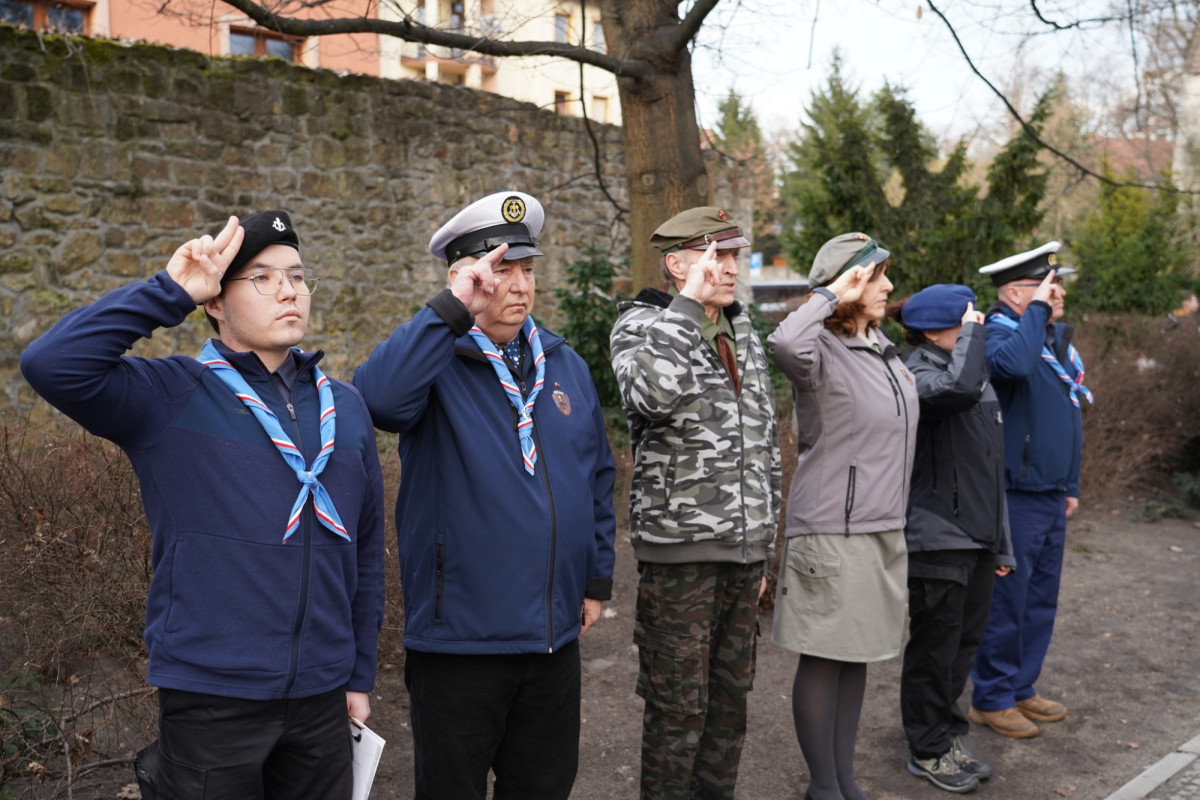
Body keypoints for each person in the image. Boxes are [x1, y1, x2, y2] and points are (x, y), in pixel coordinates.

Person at [20, 211, 386, 800]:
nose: (289, 291)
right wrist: (169, 293)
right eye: (262, 278)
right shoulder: (172, 396)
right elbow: (52, 363)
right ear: (215, 300)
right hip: (213, 698)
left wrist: (358, 672)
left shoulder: (344, 407)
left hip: (322, 698)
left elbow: (365, 553)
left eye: (297, 275)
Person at [352, 190, 617, 800]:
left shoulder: (564, 364)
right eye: (501, 271)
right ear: (464, 278)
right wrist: (448, 311)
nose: (520, 285)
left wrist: (595, 579)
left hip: (552, 639)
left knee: (544, 787)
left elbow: (596, 475)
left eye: (527, 269)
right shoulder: (432, 360)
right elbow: (377, 401)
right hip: (461, 642)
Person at [610, 207, 781, 800]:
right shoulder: (642, 325)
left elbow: (764, 441)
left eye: (734, 255)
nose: (729, 268)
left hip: (743, 553)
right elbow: (648, 396)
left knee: (730, 707)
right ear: (677, 264)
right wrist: (685, 307)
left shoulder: (741, 328)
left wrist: (763, 545)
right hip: (680, 554)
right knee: (677, 709)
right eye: (715, 256)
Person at [767, 232, 918, 800]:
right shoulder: (819, 351)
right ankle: (823, 786)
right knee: (825, 657)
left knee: (856, 656)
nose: (888, 286)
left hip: (883, 527)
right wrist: (831, 294)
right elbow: (784, 342)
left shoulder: (880, 347)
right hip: (834, 529)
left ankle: (844, 779)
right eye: (875, 276)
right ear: (847, 284)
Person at [896, 284, 1017, 793]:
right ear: (931, 332)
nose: (976, 328)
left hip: (978, 537)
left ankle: (946, 738)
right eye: (965, 322)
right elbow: (955, 391)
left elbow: (991, 468)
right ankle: (927, 749)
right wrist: (973, 335)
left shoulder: (972, 375)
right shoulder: (915, 374)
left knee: (963, 647)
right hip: (938, 535)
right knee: (935, 650)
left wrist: (1001, 542)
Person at [969, 241, 1091, 738]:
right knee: (1007, 600)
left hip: (1050, 491)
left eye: (1056, 286)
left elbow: (1068, 414)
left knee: (1040, 600)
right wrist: (1036, 314)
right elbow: (1012, 369)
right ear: (1016, 293)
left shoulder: (1049, 340)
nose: (1058, 293)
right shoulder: (1000, 335)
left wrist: (1071, 483)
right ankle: (991, 697)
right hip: (1014, 493)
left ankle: (1021, 686)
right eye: (1047, 286)